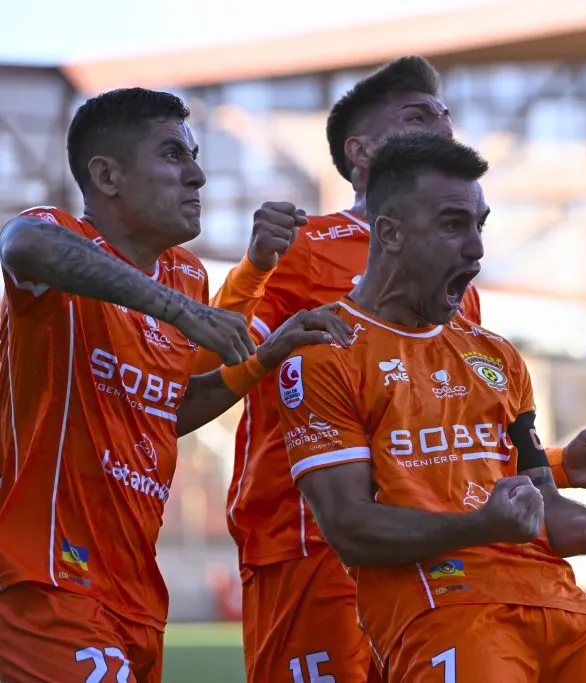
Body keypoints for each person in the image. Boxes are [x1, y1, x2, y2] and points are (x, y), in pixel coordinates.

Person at [213, 55, 586, 682]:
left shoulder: (458, 278)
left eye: (446, 115)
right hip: (308, 537)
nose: (442, 127)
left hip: (432, 551)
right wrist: (252, 270)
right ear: (363, 150)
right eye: (418, 116)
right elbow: (217, 362)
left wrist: (559, 463)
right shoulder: (298, 248)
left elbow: (444, 421)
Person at [279, 131, 586, 681]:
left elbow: (544, 509)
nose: (477, 249)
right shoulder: (325, 355)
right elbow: (351, 529)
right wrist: (482, 525)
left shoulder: (497, 355)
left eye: (480, 224)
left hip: (563, 607)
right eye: (453, 224)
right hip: (446, 609)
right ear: (389, 233)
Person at [0, 87, 348, 683]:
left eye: (194, 155)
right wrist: (180, 312)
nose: (198, 176)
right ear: (106, 175)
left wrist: (268, 355)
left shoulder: (186, 274)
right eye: (172, 156)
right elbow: (21, 245)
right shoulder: (56, 235)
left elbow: (171, 406)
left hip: (134, 586)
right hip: (44, 574)